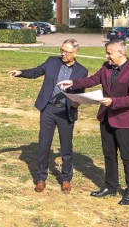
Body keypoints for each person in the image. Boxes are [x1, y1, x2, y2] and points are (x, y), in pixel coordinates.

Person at [58, 39, 129, 206]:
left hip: (125, 121)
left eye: (109, 53)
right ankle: (110, 186)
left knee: (126, 156)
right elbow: (91, 80)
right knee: (109, 154)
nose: (107, 56)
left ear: (121, 52)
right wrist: (73, 82)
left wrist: (113, 101)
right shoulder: (106, 67)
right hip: (106, 118)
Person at [8, 39, 88, 193]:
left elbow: (80, 93)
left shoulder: (82, 71)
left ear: (76, 52)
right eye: (62, 50)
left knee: (66, 147)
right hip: (48, 110)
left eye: (67, 52)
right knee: (44, 145)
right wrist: (20, 73)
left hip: (66, 112)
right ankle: (41, 178)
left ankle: (66, 179)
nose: (63, 54)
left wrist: (77, 103)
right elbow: (36, 72)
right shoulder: (52, 62)